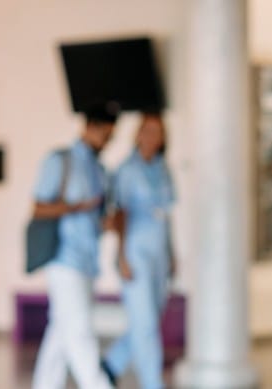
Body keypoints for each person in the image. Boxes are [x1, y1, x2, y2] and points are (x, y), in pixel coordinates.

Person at [31, 101, 119, 389]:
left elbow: (96, 219)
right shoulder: (60, 160)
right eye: (105, 135)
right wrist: (76, 207)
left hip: (88, 262)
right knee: (80, 335)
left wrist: (108, 223)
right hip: (63, 260)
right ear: (90, 127)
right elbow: (38, 208)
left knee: (60, 334)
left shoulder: (99, 169)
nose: (107, 142)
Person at [101, 112, 175, 389]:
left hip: (159, 255)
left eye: (158, 131)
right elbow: (120, 214)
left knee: (149, 320)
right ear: (139, 134)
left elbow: (166, 216)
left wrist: (172, 253)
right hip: (134, 253)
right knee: (145, 326)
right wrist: (122, 257)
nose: (152, 136)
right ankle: (152, 383)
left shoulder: (163, 169)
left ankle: (110, 365)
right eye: (148, 130)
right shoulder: (127, 170)